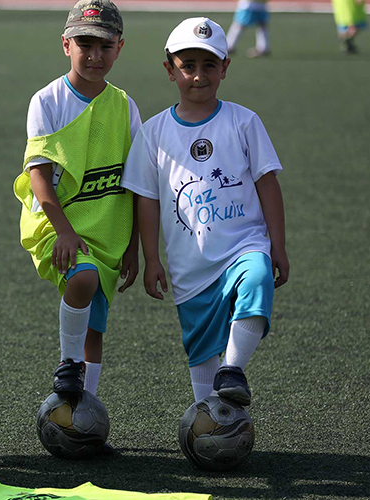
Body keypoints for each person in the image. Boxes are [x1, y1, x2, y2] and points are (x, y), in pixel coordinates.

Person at [121, 17, 289, 406]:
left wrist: (276, 245)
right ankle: (208, 422)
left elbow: (268, 184)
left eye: (209, 65)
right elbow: (147, 199)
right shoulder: (153, 132)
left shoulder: (244, 122)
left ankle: (233, 369)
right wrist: (151, 258)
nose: (199, 76)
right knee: (200, 357)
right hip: (189, 266)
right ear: (170, 70)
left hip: (243, 246)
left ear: (225, 68)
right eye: (188, 66)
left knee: (257, 277)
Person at [12, 0, 141, 455]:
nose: (94, 53)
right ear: (66, 44)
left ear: (119, 47)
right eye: (84, 43)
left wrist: (135, 248)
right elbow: (39, 178)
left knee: (96, 327)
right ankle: (68, 368)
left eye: (104, 44)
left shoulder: (125, 107)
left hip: (106, 229)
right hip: (53, 222)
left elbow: (136, 181)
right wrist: (64, 231)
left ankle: (83, 414)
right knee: (82, 277)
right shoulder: (47, 101)